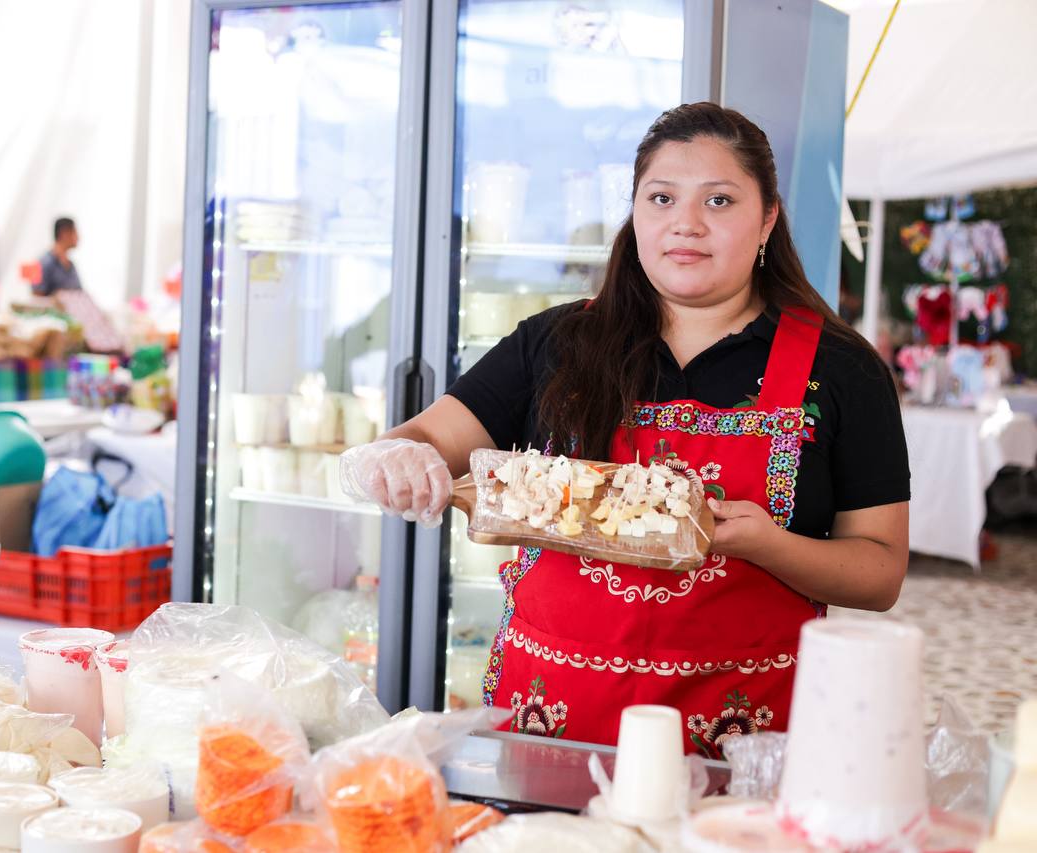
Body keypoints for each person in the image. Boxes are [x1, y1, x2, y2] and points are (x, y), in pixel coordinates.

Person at [342, 103, 910, 754]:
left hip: (742, 747)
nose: (686, 224)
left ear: (768, 219)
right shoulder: (555, 342)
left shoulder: (841, 370)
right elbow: (421, 439)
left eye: (719, 201)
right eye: (661, 197)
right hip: (547, 731)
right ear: (635, 211)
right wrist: (398, 460)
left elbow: (880, 571)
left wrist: (767, 544)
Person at [34, 216, 82, 296]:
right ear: (64, 233)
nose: (78, 237)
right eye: (75, 232)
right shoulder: (41, 263)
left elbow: (79, 292)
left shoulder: (71, 265)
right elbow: (36, 297)